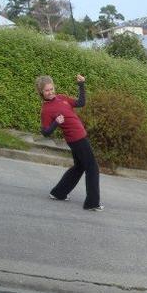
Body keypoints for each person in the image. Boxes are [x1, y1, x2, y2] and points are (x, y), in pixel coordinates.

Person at [36, 74, 103, 211]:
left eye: (51, 88)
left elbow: (81, 103)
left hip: (80, 137)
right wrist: (56, 123)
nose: (50, 92)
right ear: (41, 92)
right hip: (76, 139)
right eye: (47, 90)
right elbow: (45, 132)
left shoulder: (61, 98)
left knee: (79, 167)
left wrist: (81, 85)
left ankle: (58, 193)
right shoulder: (46, 110)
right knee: (92, 168)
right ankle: (92, 203)